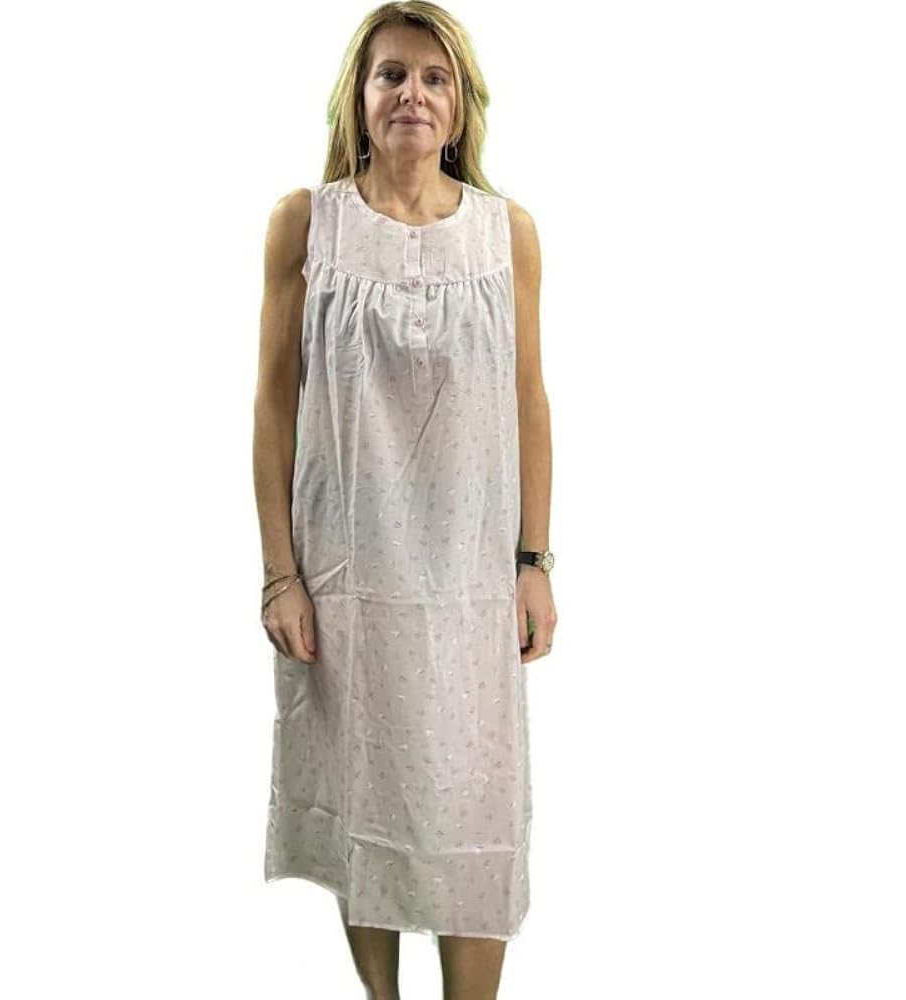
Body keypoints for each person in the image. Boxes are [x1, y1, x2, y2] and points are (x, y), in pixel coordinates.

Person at [252, 3, 556, 997]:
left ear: (462, 105)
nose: (411, 95)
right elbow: (274, 400)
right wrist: (280, 575)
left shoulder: (505, 233)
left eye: (434, 78)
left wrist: (534, 562)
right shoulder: (308, 223)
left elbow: (529, 399)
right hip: (348, 574)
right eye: (391, 75)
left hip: (469, 582)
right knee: (365, 791)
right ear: (358, 96)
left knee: (471, 805)